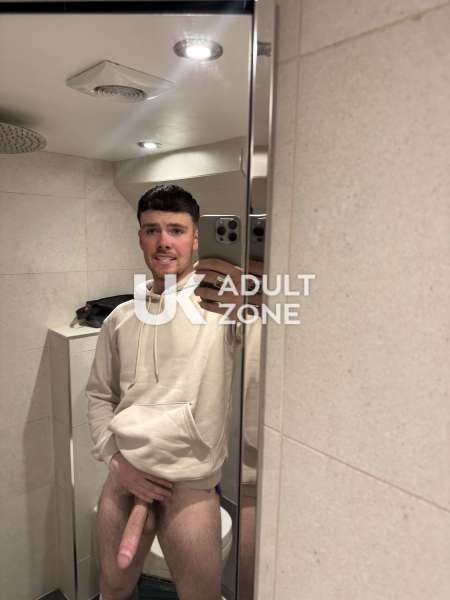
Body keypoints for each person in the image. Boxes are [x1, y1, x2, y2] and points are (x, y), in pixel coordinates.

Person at [86, 184, 238, 600]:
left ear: (195, 239)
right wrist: (115, 461)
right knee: (112, 588)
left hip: (189, 482)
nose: (164, 241)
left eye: (176, 230)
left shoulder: (222, 309)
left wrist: (252, 300)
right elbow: (99, 395)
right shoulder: (120, 317)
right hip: (127, 472)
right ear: (140, 238)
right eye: (152, 230)